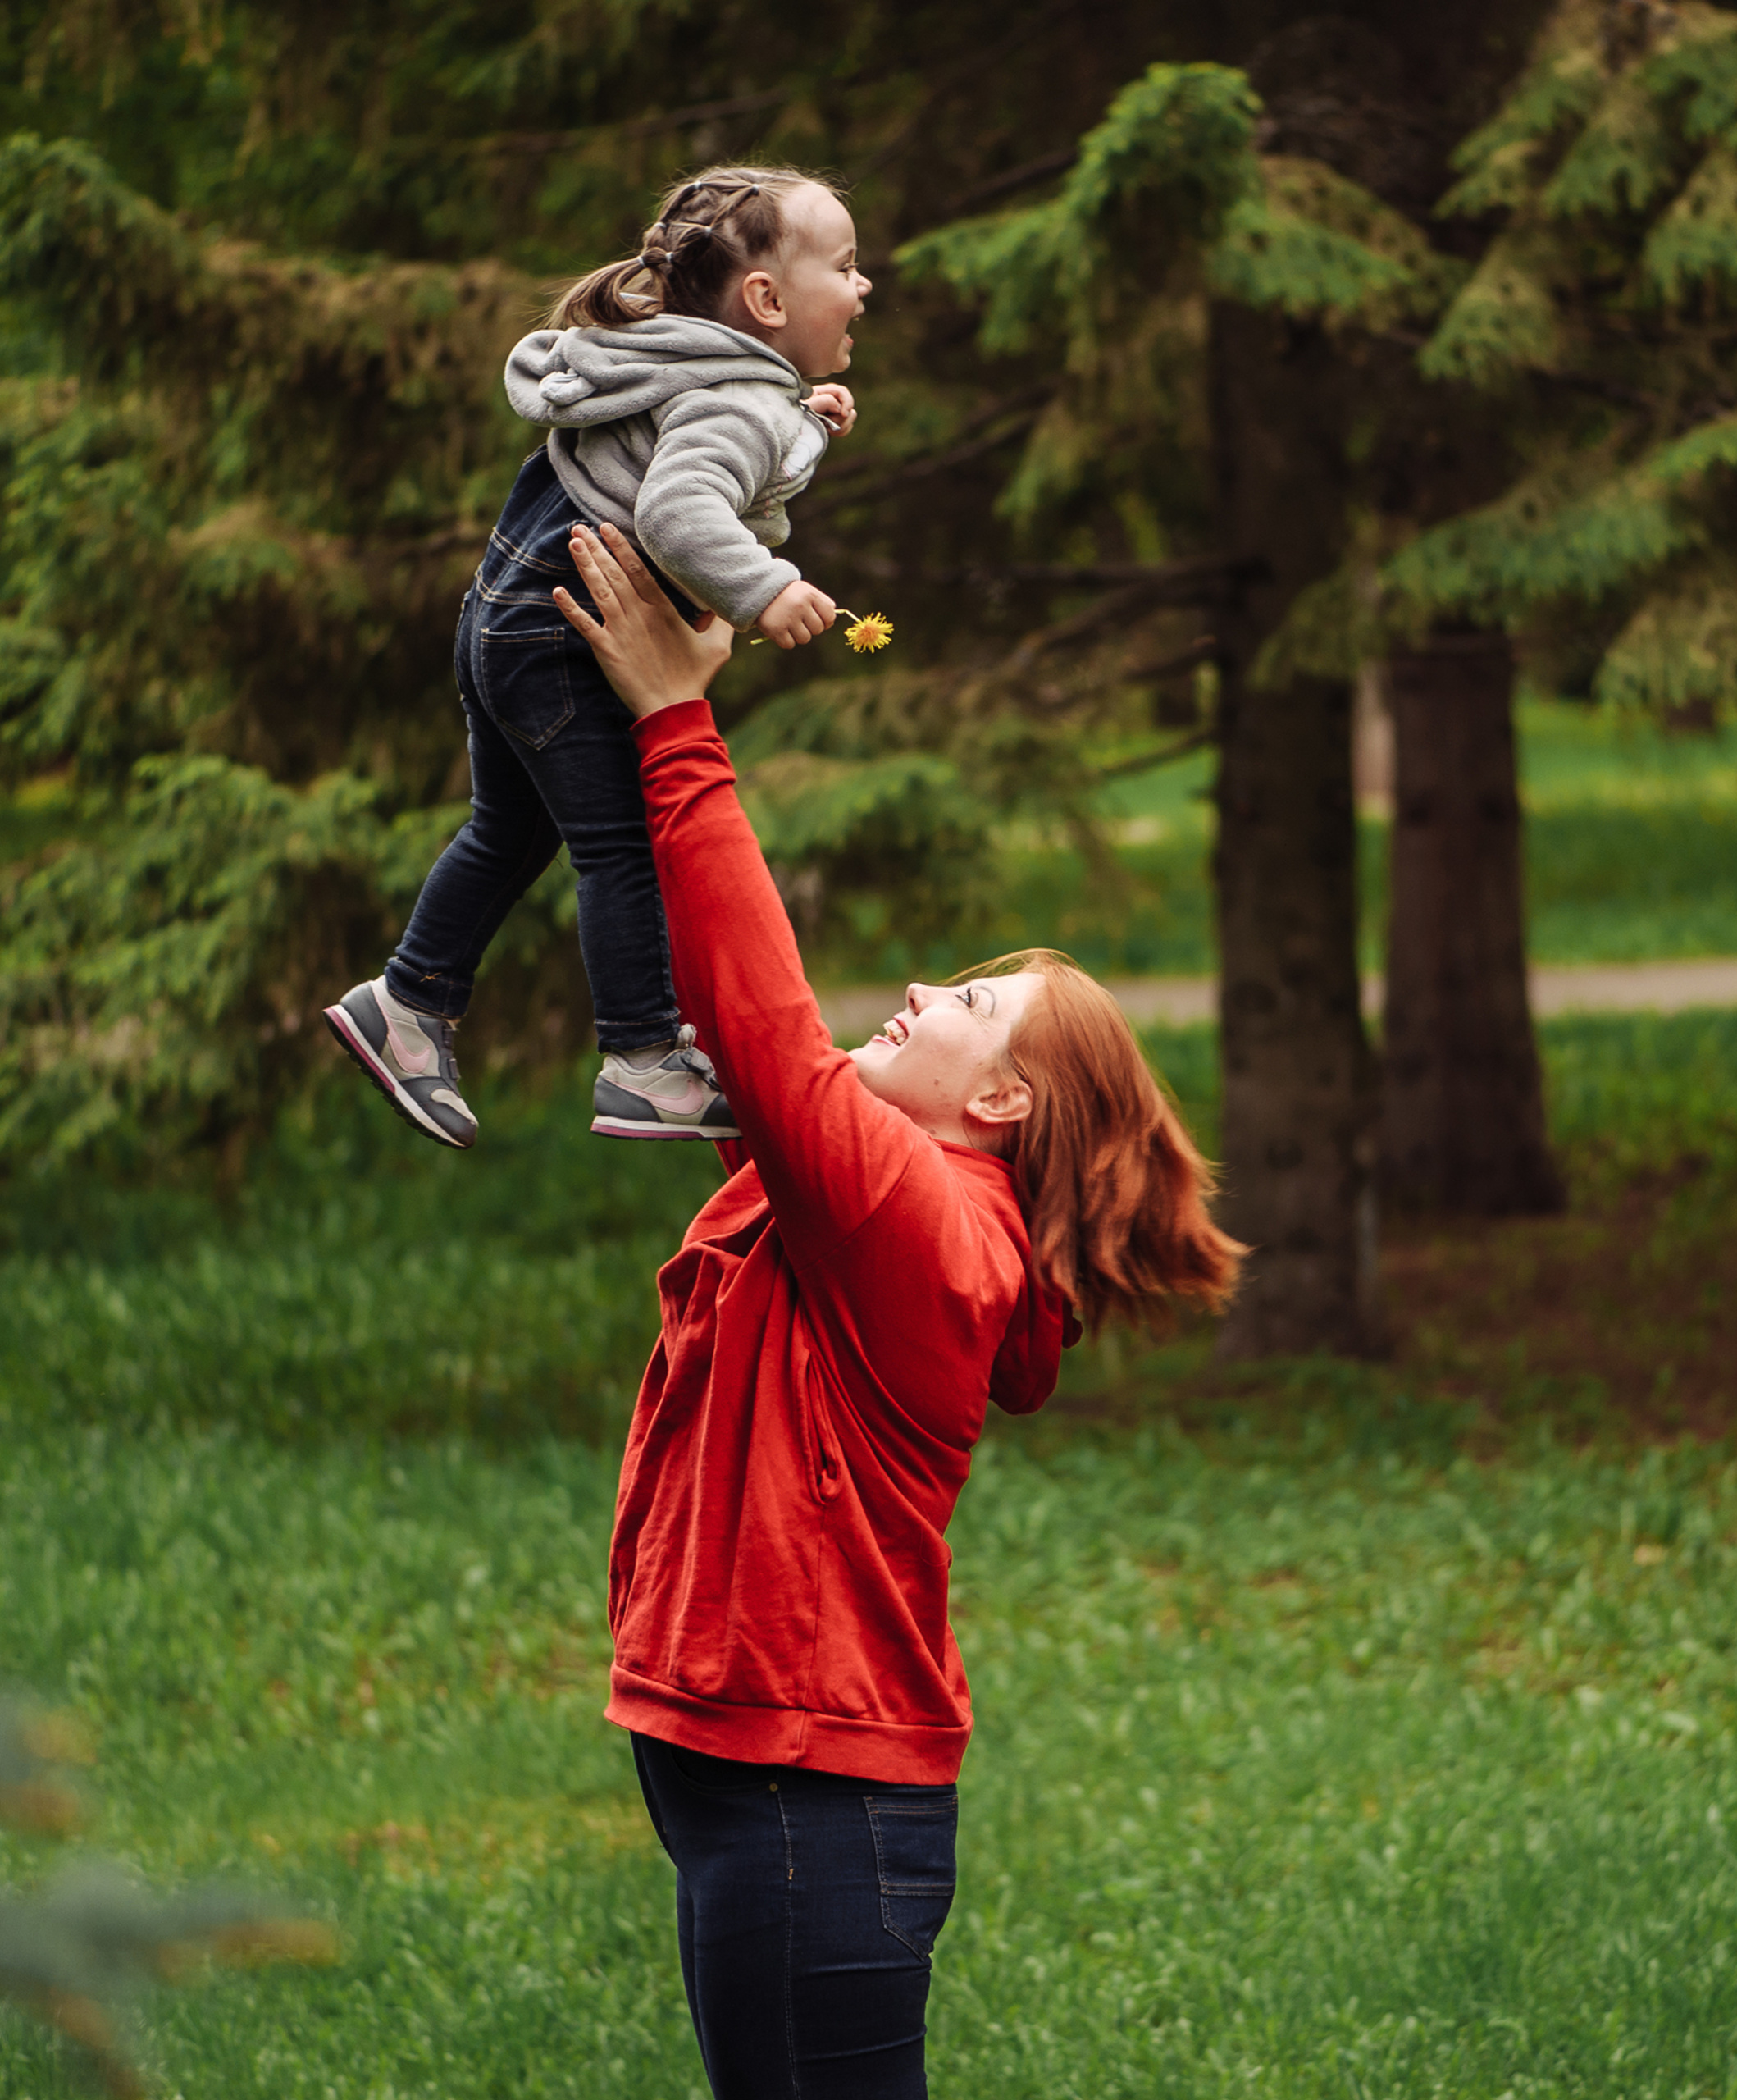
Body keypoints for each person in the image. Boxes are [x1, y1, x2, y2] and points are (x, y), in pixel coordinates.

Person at [549, 518, 1245, 2100]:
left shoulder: (924, 1230)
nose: (925, 990)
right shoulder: (861, 1202)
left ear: (1002, 1101)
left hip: (816, 1797)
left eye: (971, 1001)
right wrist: (634, 705)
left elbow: (767, 1029)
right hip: (761, 1781)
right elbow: (712, 1003)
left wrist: (682, 725)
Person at [324, 165, 869, 1151]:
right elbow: (680, 507)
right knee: (623, 848)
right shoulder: (738, 405)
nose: (862, 286)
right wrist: (767, 588)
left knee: (507, 830)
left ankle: (406, 1002)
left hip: (503, 617)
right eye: (845, 265)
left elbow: (715, 438)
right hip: (564, 643)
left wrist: (804, 417)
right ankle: (643, 1059)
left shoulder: (654, 360)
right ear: (767, 300)